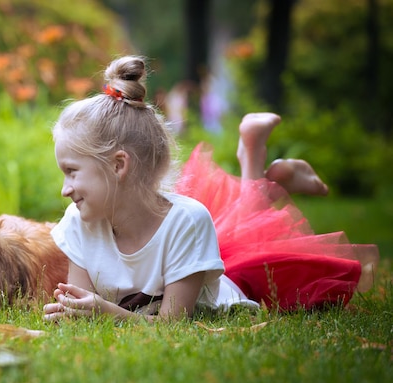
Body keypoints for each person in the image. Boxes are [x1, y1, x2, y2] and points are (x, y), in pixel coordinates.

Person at [43, 55, 378, 322]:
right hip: (186, 245)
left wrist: (104, 313)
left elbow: (172, 326)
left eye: (71, 172)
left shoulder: (186, 222)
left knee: (253, 253)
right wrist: (72, 313)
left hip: (231, 288)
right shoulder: (80, 222)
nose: (65, 189)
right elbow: (82, 307)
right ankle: (257, 163)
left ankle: (254, 158)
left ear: (118, 166)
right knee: (236, 225)